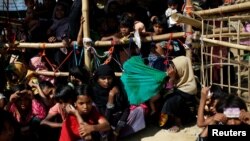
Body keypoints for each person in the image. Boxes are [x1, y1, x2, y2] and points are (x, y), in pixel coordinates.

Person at [92, 64, 146, 139]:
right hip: (105, 123)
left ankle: (117, 134)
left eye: (109, 78)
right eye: (103, 78)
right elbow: (105, 118)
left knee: (139, 110)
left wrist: (117, 130)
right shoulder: (94, 92)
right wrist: (111, 98)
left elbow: (126, 108)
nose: (106, 81)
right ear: (97, 79)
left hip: (119, 119)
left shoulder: (118, 87)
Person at [160, 56, 197, 132]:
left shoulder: (189, 86)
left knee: (171, 101)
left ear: (182, 69)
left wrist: (172, 79)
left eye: (174, 68)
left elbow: (168, 95)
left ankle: (173, 123)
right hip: (179, 109)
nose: (171, 70)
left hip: (185, 115)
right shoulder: (180, 81)